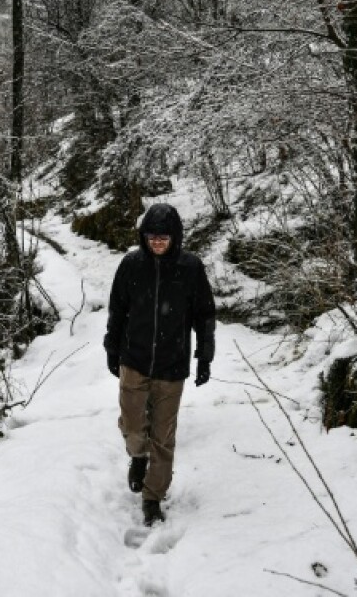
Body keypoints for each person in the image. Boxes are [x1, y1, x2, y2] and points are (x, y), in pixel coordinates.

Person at [104, 202, 216, 527]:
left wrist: (204, 356)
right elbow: (117, 310)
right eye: (152, 236)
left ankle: (153, 498)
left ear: (174, 237)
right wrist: (112, 348)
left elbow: (204, 315)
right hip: (134, 359)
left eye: (163, 237)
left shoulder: (190, 268)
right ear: (144, 236)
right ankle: (137, 457)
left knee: (164, 437)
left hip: (172, 365)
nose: (157, 242)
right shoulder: (130, 265)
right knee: (133, 425)